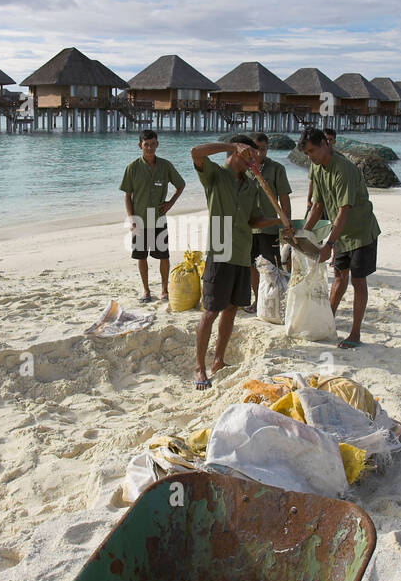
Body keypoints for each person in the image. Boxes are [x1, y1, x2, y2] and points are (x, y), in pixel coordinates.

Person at [191, 135, 282, 389]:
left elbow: (253, 220)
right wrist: (230, 146)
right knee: (210, 311)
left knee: (231, 309)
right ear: (240, 152)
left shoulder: (251, 185)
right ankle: (200, 367)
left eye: (258, 154)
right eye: (252, 153)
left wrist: (278, 221)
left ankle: (218, 360)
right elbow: (196, 151)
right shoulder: (216, 175)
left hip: (243, 253)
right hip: (220, 250)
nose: (257, 158)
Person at [298, 127, 380, 349]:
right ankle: (328, 320)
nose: (310, 156)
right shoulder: (316, 168)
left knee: (358, 281)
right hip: (341, 232)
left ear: (325, 144)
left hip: (361, 231)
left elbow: (344, 210)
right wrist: (303, 234)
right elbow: (317, 206)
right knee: (339, 277)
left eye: (312, 151)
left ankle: (355, 333)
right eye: (306, 154)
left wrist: (329, 244)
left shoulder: (343, 169)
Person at [120, 129, 184, 303]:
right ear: (140, 145)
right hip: (139, 220)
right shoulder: (132, 168)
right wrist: (131, 218)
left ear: (157, 144)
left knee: (164, 256)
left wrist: (170, 203)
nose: (149, 148)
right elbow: (127, 196)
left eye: (153, 144)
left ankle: (164, 290)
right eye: (146, 144)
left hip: (158, 219)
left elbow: (181, 185)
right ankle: (146, 291)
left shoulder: (165, 166)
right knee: (141, 256)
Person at [246, 132, 292, 314]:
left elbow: (284, 200)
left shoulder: (277, 169)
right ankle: (258, 299)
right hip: (249, 227)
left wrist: (286, 226)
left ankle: (274, 301)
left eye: (263, 149)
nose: (259, 153)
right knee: (251, 266)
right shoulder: (244, 168)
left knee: (272, 267)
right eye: (255, 149)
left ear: (267, 149)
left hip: (270, 227)